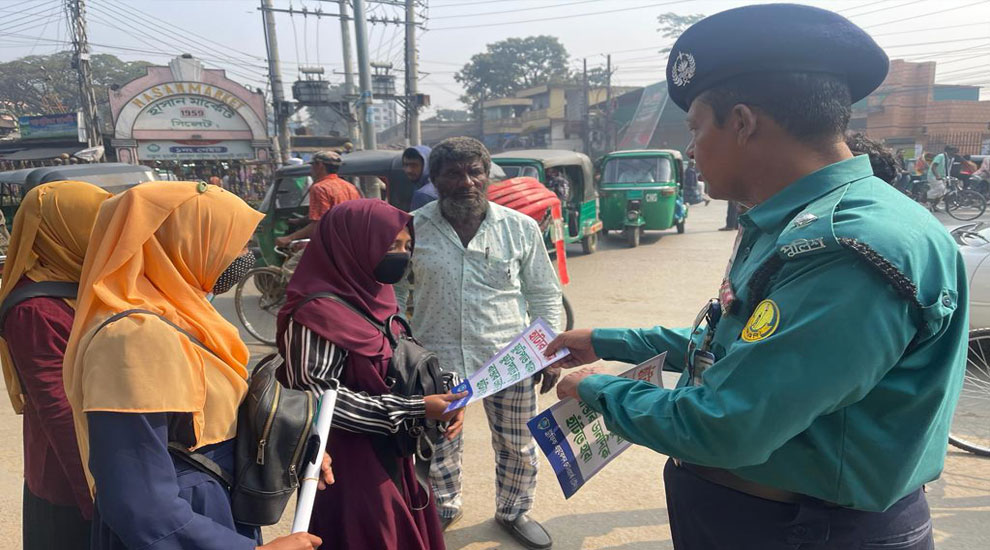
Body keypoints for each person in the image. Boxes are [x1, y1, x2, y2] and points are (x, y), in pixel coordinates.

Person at [547, 5, 964, 549]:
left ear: (742, 122)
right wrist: (607, 341)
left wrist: (597, 390)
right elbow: (743, 347)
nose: (691, 150)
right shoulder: (800, 219)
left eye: (696, 127)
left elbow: (727, 425)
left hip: (808, 530)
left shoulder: (843, 246)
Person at [63, 181, 332, 550]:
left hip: (213, 511)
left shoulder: (189, 316)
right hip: (181, 532)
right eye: (232, 243)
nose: (243, 256)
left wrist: (293, 449)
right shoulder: (134, 338)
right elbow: (139, 500)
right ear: (184, 243)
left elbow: (218, 421)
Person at [395, 137, 562, 549]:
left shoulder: (519, 227)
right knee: (439, 444)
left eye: (475, 172)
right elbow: (395, 294)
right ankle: (445, 507)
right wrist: (396, 348)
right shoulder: (412, 227)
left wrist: (550, 351)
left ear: (487, 176)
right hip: (438, 361)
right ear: (435, 180)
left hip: (509, 358)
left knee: (517, 443)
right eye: (454, 173)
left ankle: (514, 510)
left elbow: (544, 293)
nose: (467, 182)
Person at [276, 199, 465, 550]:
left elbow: (400, 359)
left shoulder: (378, 294)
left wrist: (453, 394)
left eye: (407, 246)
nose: (402, 255)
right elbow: (314, 400)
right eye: (391, 246)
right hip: (349, 465)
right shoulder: (316, 313)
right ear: (354, 244)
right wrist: (415, 409)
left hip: (394, 452)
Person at [0, 181, 111, 550]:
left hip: (107, 461)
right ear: (61, 231)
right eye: (95, 225)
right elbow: (60, 412)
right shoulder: (34, 309)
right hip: (70, 480)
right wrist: (95, 498)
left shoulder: (84, 281)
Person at [275, 151, 360, 248]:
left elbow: (319, 224)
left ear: (320, 165)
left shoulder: (319, 188)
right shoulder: (350, 187)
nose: (311, 170)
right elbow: (331, 212)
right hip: (350, 241)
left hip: (331, 242)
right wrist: (300, 221)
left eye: (312, 166)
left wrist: (289, 238)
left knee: (292, 263)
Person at [405, 146, 438, 211]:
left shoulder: (423, 194)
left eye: (414, 165)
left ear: (427, 165)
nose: (408, 170)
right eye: (406, 165)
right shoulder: (438, 184)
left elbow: (416, 221)